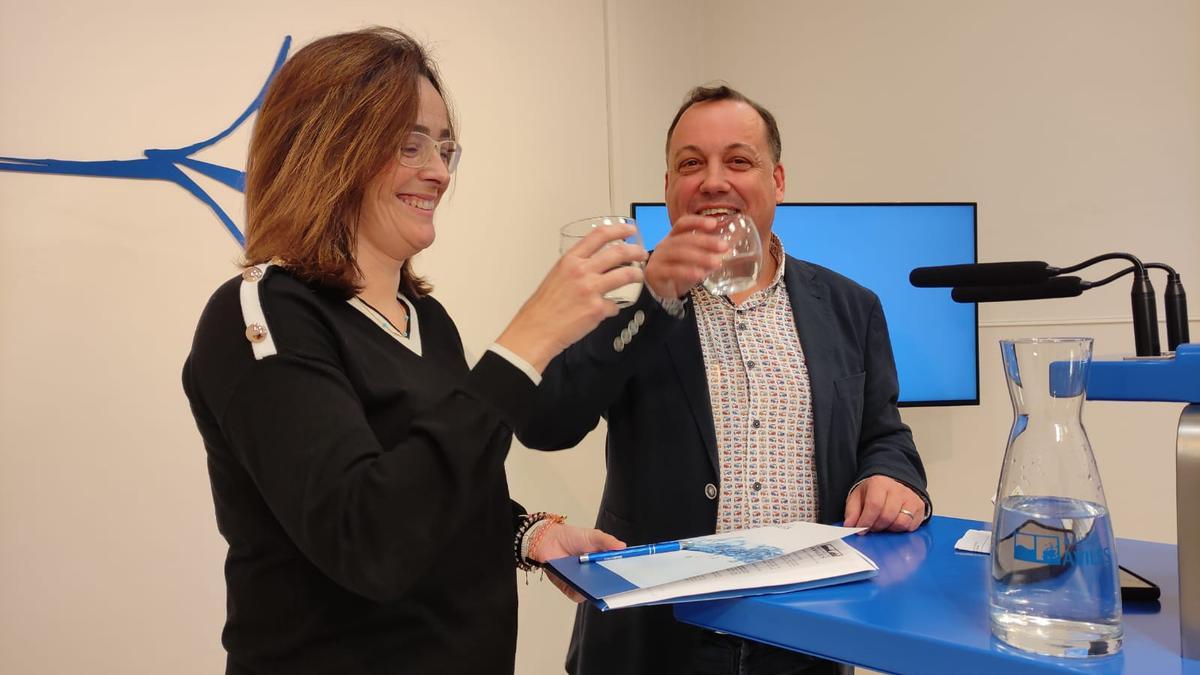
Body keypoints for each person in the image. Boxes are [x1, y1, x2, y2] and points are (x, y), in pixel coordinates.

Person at [181, 27, 643, 675]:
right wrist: (527, 343)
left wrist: (528, 532)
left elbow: (432, 489)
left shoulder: (427, 320)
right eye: (410, 144)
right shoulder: (262, 313)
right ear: (328, 148)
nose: (438, 170)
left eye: (446, 147)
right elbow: (368, 538)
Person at [518, 85, 932, 675]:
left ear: (778, 181)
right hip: (656, 640)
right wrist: (652, 301)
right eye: (691, 163)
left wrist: (891, 475)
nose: (714, 181)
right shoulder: (621, 295)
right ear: (667, 189)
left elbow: (884, 434)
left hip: (809, 634)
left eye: (738, 160)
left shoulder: (851, 305)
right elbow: (546, 423)